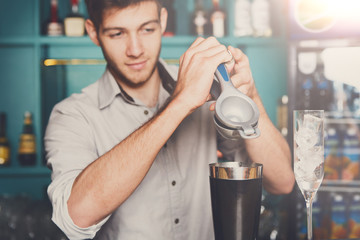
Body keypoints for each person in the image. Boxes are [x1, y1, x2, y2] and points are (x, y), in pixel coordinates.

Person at [44, 0, 295, 239]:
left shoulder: (208, 88)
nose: (136, 49)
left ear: (163, 21)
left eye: (147, 29)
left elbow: (282, 182)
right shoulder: (71, 115)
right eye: (117, 33)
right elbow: (75, 218)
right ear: (93, 31)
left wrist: (251, 96)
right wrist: (179, 103)